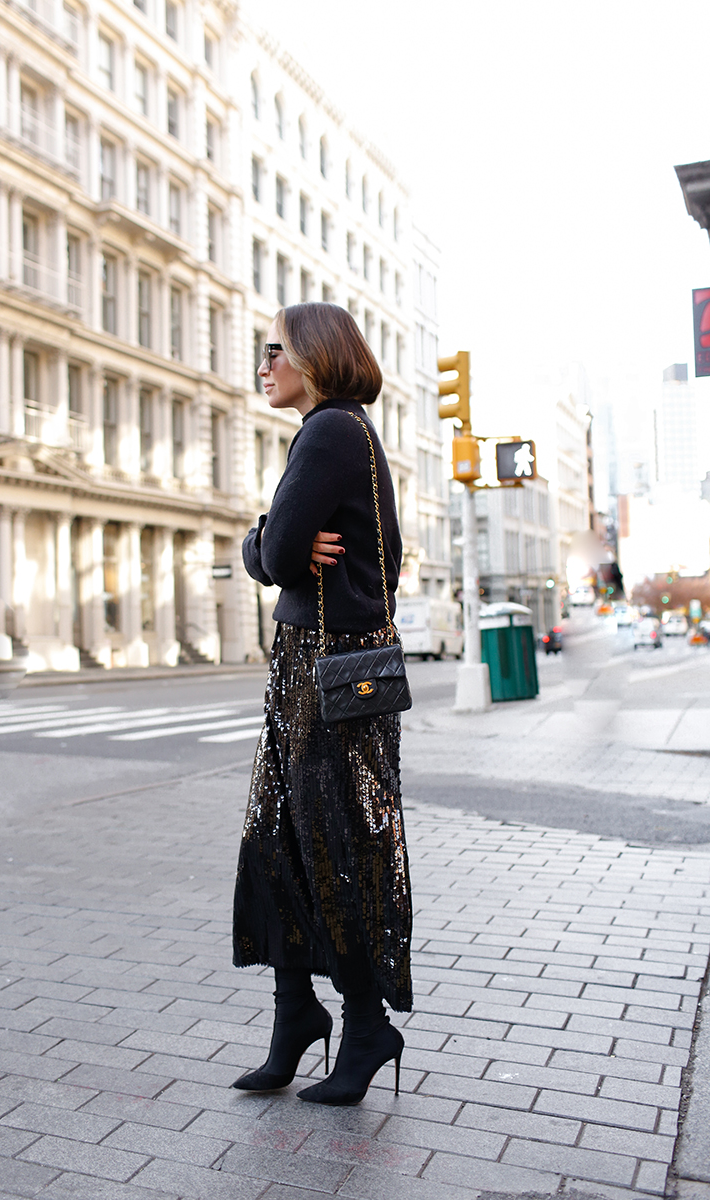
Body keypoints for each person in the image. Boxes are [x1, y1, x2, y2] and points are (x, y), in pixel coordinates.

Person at [232, 303, 412, 1106]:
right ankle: (295, 1012)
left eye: (275, 350)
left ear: (315, 355)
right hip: (308, 670)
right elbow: (275, 552)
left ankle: (366, 1025)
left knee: (331, 844)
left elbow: (270, 556)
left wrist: (273, 544)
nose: (264, 365)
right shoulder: (340, 433)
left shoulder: (333, 431)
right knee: (287, 840)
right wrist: (278, 543)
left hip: (328, 674)